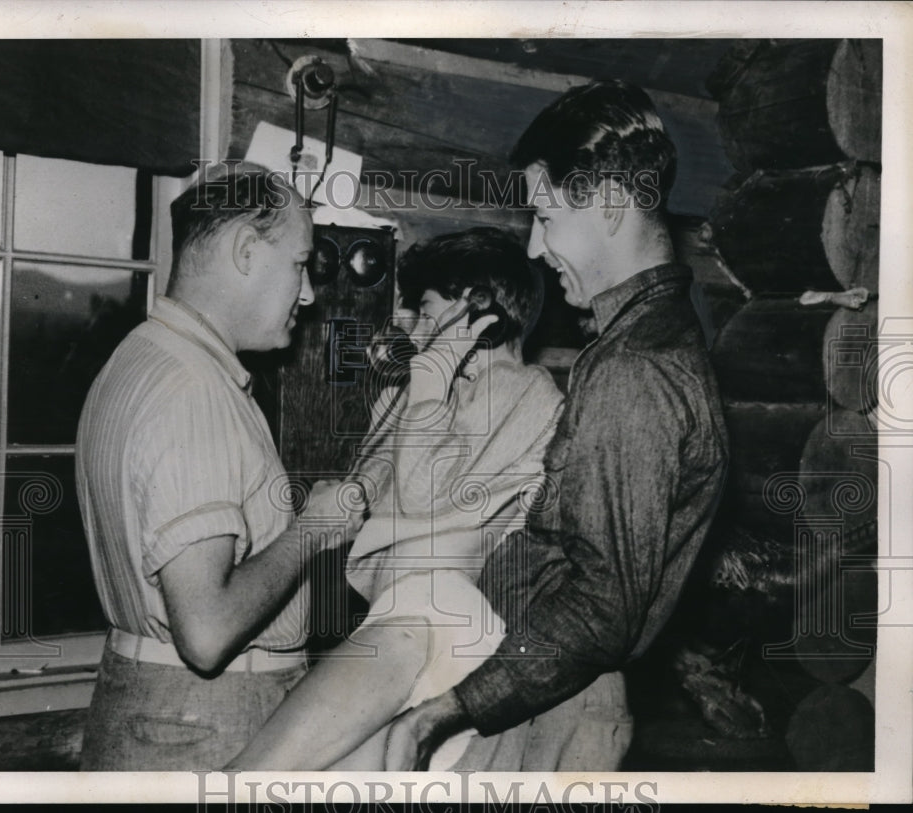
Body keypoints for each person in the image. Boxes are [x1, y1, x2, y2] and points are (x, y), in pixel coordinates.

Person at [384, 79, 730, 771]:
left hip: (548, 704)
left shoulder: (636, 369)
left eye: (544, 217)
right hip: (532, 681)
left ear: (605, 203)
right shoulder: (639, 341)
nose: (537, 249)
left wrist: (442, 713)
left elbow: (602, 608)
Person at [225, 227, 565, 770]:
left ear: (478, 313)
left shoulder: (524, 388)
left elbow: (425, 494)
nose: (416, 328)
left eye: (429, 313)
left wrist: (428, 385)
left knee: (246, 782)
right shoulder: (431, 390)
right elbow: (369, 487)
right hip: (393, 619)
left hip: (435, 622)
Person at [76, 164, 358, 770]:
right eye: (300, 264)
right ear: (247, 251)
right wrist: (313, 529)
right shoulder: (193, 390)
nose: (307, 294)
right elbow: (206, 635)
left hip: (150, 706)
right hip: (204, 721)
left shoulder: (139, 358)